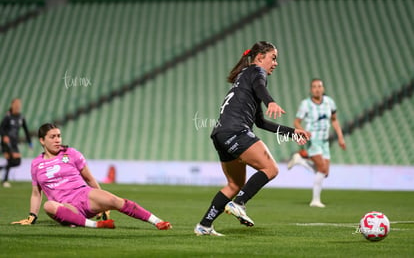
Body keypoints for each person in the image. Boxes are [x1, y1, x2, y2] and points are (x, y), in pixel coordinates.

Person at [194, 41, 310, 236]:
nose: (275, 63)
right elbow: (260, 85)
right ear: (259, 57)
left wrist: (291, 132)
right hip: (236, 131)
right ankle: (239, 203)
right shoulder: (256, 72)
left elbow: (261, 123)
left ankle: (204, 225)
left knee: (234, 185)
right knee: (271, 169)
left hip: (220, 134)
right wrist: (270, 101)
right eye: (273, 58)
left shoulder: (244, 78)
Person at [11, 123, 172, 230]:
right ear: (42, 140)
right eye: (52, 137)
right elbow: (36, 193)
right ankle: (95, 225)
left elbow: (89, 179)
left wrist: (104, 206)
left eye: (59, 136)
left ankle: (157, 221)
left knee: (114, 200)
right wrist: (32, 216)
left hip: (84, 195)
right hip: (66, 205)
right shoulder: (36, 164)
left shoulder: (71, 153)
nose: (57, 140)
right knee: (49, 206)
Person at [287, 79, 346, 208]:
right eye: (314, 87)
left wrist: (340, 137)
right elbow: (296, 122)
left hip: (325, 141)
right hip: (312, 140)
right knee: (322, 169)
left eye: (319, 86)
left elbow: (334, 120)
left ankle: (300, 161)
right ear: (311, 89)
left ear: (323, 88)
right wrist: (304, 132)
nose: (317, 89)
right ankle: (315, 200)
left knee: (325, 172)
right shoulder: (306, 104)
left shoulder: (329, 102)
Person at [0, 98, 32, 187]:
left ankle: (3, 175)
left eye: (19, 104)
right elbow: (1, 128)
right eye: (16, 103)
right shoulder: (8, 116)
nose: (18, 105)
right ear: (12, 105)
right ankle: (5, 181)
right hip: (7, 143)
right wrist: (4, 136)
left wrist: (30, 142)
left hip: (14, 143)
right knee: (12, 159)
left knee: (17, 162)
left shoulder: (21, 117)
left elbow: (26, 130)